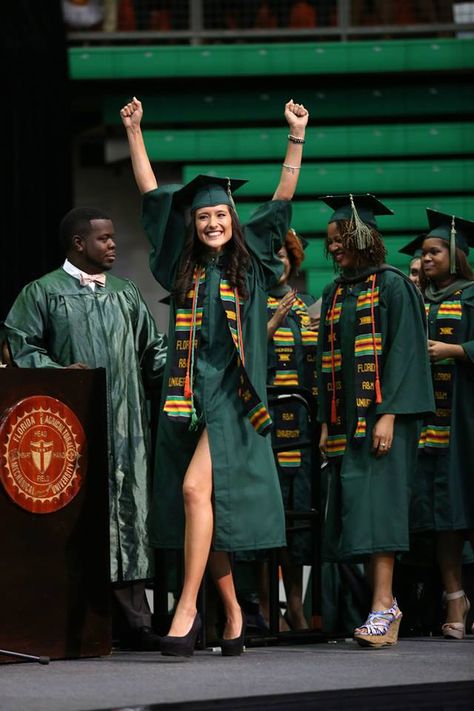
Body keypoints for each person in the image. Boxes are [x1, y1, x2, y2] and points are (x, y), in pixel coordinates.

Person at [120, 95, 308, 656]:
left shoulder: (250, 261)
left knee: (194, 489)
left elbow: (280, 200)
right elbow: (153, 196)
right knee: (204, 507)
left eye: (220, 214)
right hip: (186, 396)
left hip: (234, 395)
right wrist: (135, 132)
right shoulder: (182, 266)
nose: (212, 222)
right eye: (203, 215)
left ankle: (185, 609)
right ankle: (231, 617)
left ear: (232, 218)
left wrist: (295, 137)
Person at [4, 207, 167, 651]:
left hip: (126, 427)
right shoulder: (41, 293)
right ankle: (77, 622)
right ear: (79, 243)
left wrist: (188, 365)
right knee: (77, 519)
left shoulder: (126, 294)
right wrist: (61, 373)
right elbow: (21, 348)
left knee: (128, 515)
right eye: (105, 239)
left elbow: (153, 355)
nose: (114, 244)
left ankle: (135, 621)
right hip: (70, 430)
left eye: (114, 238)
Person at [316, 193, 434, 648]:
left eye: (342, 237)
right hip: (346, 422)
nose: (335, 246)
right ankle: (375, 607)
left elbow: (405, 352)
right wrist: (328, 423)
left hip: (387, 421)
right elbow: (328, 363)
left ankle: (384, 607)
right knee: (357, 512)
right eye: (329, 240)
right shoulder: (335, 291)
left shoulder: (393, 285)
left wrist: (387, 414)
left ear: (366, 237)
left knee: (379, 509)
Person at [401, 209, 474, 640]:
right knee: (444, 518)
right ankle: (455, 601)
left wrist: (456, 350)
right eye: (424, 253)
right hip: (432, 431)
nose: (426, 258)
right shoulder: (415, 300)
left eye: (435, 251)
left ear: (457, 254)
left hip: (467, 421)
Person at [264, 228, 319, 630]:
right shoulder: (247, 304)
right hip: (261, 426)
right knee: (266, 516)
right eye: (270, 254)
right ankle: (265, 605)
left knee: (298, 515)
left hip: (300, 430)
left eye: (283, 254)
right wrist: (270, 322)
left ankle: (295, 605)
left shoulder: (304, 309)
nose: (278, 260)